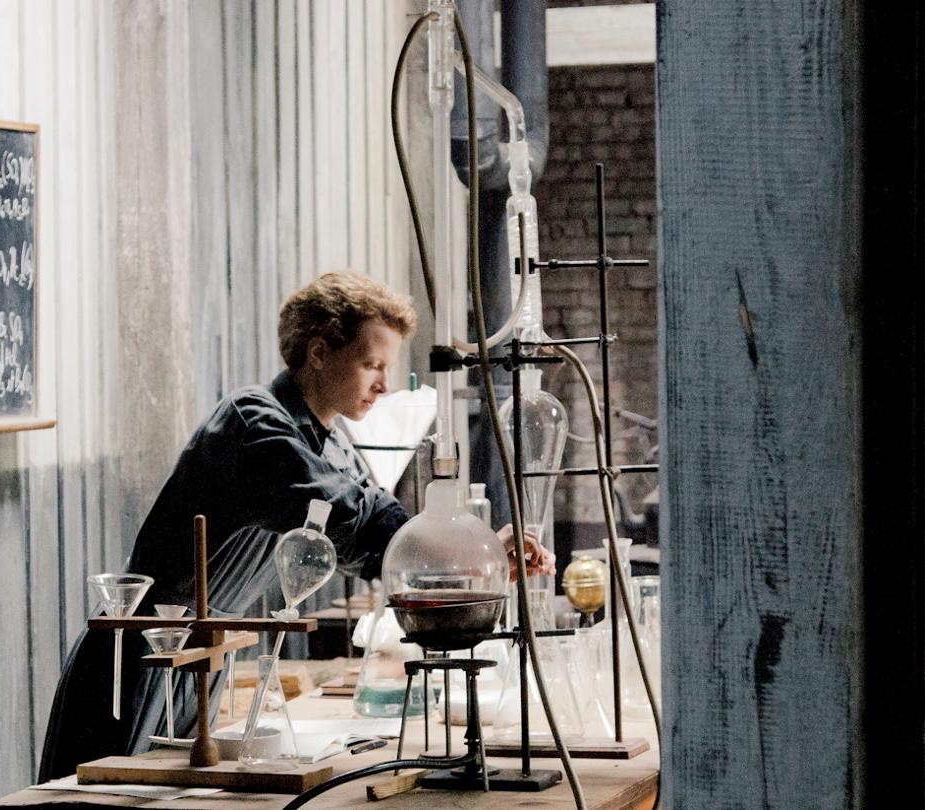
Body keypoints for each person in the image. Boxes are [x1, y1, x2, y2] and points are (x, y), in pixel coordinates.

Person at [37, 271, 547, 782]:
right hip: (144, 655)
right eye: (372, 364)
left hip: (202, 654)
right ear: (320, 352)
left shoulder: (334, 441)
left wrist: (462, 562)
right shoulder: (254, 422)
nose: (383, 384)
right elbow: (344, 511)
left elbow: (366, 547)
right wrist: (461, 545)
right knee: (102, 795)